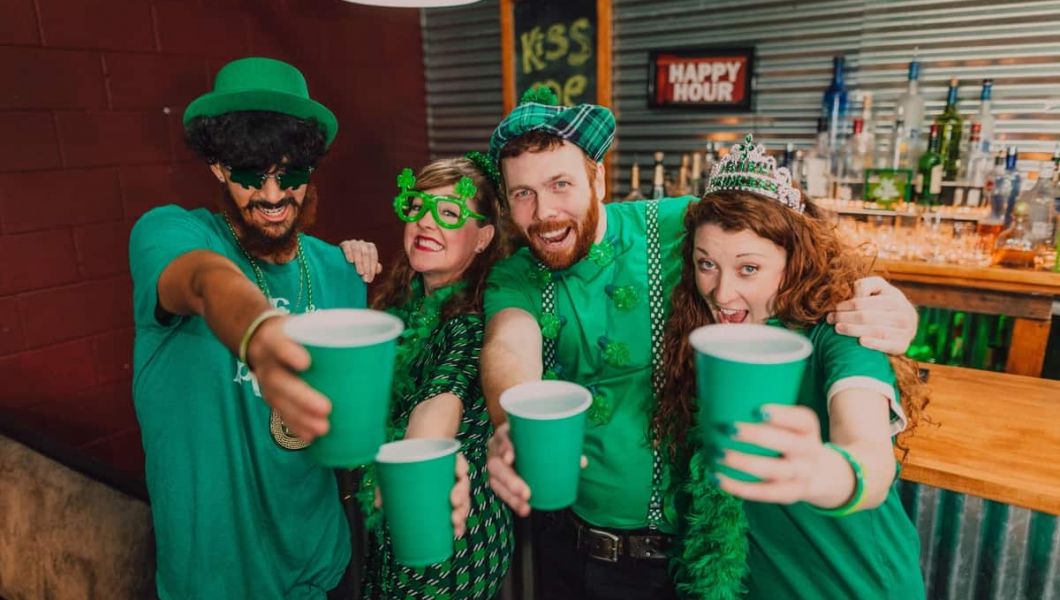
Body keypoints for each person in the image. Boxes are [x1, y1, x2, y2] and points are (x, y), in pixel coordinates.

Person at [481, 87, 920, 599]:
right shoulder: (514, 276)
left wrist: (889, 306)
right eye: (522, 194)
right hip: (573, 547)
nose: (544, 212)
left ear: (597, 177)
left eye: (560, 184)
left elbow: (794, 239)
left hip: (681, 558)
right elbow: (508, 347)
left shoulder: (681, 224)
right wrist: (515, 423)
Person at [129, 57, 468, 600]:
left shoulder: (340, 271)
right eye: (248, 174)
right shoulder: (170, 234)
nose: (270, 194)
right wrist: (259, 333)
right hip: (212, 584)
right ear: (218, 167)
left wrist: (419, 464)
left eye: (288, 173)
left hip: (324, 570)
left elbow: (351, 421)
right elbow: (201, 281)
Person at [656, 133, 926, 599]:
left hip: (854, 585)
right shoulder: (707, 341)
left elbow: (868, 454)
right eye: (707, 265)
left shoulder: (839, 333)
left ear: (793, 262)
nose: (721, 294)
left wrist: (819, 471)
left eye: (748, 269)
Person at [340, 154, 514, 599]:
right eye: (417, 207)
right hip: (399, 518)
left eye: (450, 213)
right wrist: (339, 266)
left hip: (448, 537)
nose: (427, 221)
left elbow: (441, 401)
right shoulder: (405, 302)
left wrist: (416, 461)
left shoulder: (473, 323)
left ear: (483, 238)